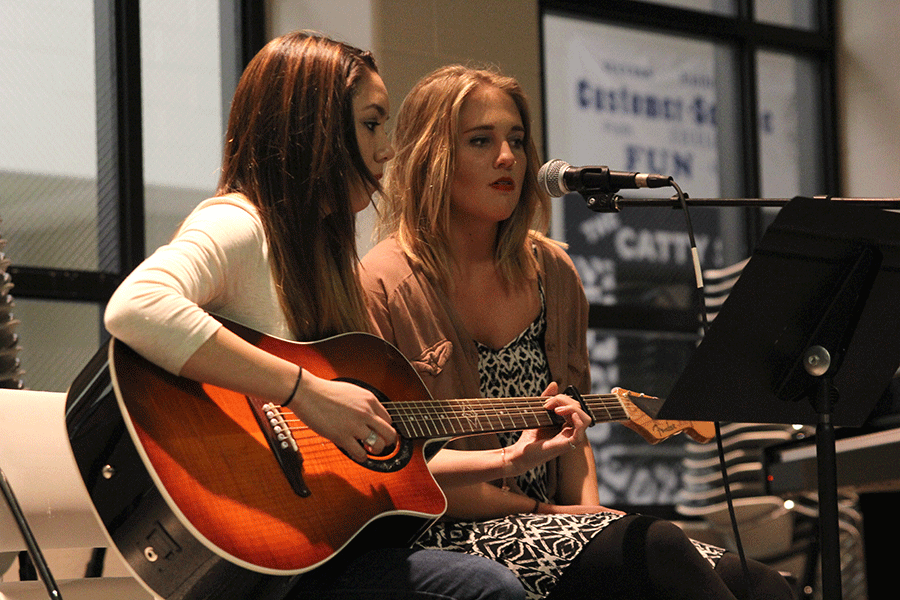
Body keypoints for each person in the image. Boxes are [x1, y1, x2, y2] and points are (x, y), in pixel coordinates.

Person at [104, 33, 525, 600]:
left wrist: (509, 454)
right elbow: (138, 306)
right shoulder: (239, 224)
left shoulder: (323, 255)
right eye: (372, 124)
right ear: (314, 130)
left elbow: (370, 447)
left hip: (313, 547)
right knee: (486, 588)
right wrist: (304, 390)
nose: (386, 151)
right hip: (268, 554)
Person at [360, 64, 797, 600]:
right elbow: (405, 468)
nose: (508, 159)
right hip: (450, 531)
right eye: (481, 141)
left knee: (758, 582)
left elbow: (573, 429)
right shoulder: (383, 284)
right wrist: (559, 516)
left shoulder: (551, 272)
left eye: (516, 141)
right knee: (654, 548)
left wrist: (587, 513)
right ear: (433, 156)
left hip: (557, 520)